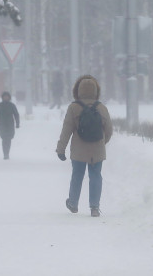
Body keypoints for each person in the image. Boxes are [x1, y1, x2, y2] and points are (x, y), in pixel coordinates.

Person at [56, 75, 112, 217]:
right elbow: (109, 130)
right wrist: (101, 143)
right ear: (95, 91)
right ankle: (94, 207)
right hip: (97, 150)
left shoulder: (73, 107)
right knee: (95, 176)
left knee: (77, 175)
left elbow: (66, 129)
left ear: (78, 91)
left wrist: (61, 149)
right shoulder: (101, 108)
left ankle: (73, 203)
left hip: (79, 150)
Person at [0, 91, 20, 160]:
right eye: (4, 96)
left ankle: (7, 153)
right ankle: (5, 154)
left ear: (9, 97)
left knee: (9, 139)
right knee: (4, 139)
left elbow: (16, 114)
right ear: (2, 97)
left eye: (7, 96)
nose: (6, 98)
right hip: (2, 125)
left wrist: (17, 124)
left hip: (10, 125)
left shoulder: (12, 105)